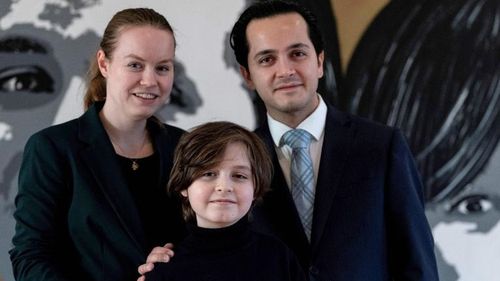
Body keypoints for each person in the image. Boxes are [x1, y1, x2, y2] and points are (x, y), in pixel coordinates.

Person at [139, 1, 439, 280]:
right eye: (267, 59)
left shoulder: (382, 147)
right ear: (248, 75)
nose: (285, 71)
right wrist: (165, 257)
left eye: (297, 54)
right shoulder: (236, 162)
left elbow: (417, 264)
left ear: (319, 62)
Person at [9, 7, 186, 281]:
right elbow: (31, 256)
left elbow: (210, 242)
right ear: (104, 64)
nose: (150, 80)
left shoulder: (186, 147)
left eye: (162, 67)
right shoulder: (52, 148)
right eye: (135, 65)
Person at [145, 121, 306, 281]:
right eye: (208, 174)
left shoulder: (279, 257)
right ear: (184, 185)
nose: (224, 187)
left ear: (256, 189)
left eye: (239, 176)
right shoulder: (165, 269)